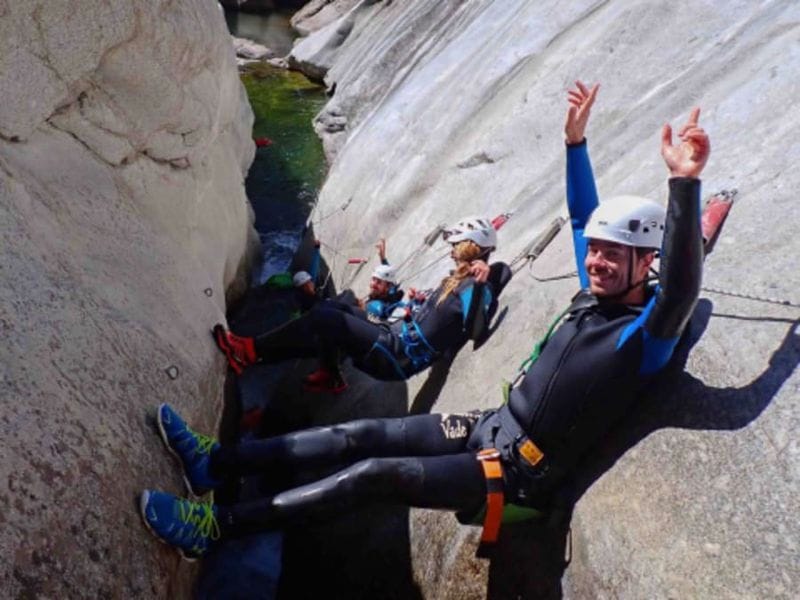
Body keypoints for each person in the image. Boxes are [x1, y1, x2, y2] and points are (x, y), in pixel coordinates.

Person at [140, 82, 707, 559]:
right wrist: (574, 141)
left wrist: (684, 183)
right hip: (489, 427)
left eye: (614, 254)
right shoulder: (595, 297)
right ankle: (217, 463)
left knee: (375, 474)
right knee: (356, 434)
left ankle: (214, 531)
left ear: (647, 263)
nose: (597, 261)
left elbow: (682, 286)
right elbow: (584, 216)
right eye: (596, 251)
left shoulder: (646, 334)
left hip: (516, 472)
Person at [213, 216, 509, 392]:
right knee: (337, 309)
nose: (451, 252)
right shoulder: (459, 280)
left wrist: (483, 284)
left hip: (398, 354)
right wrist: (420, 303)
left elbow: (476, 332)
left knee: (327, 320)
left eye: (456, 246)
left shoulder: (474, 287)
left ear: (471, 247)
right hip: (396, 338)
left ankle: (249, 353)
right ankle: (330, 375)